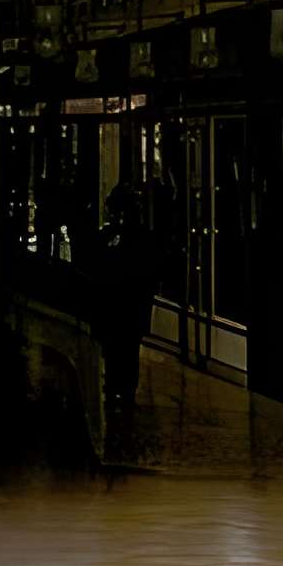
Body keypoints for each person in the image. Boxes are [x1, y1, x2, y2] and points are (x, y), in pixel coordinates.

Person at [91, 178, 161, 441]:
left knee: (119, 349)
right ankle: (122, 389)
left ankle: (116, 389)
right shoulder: (142, 239)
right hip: (127, 305)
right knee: (125, 349)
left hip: (120, 304)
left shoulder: (115, 237)